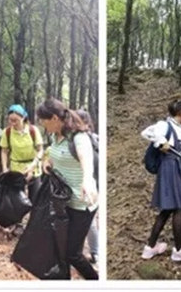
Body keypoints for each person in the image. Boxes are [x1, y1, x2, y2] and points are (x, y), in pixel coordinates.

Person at [36, 98, 99, 280]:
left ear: (54, 118)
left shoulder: (79, 137)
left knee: (72, 253)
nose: (42, 124)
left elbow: (86, 159)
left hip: (81, 204)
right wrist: (49, 164)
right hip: (63, 202)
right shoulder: (55, 136)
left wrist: (87, 179)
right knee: (60, 248)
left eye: (43, 120)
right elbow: (57, 157)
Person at [141, 98, 181, 262]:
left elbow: (177, 150)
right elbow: (146, 133)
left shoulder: (179, 128)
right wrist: (161, 142)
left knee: (168, 209)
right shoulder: (165, 125)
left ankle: (150, 247)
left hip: (176, 167)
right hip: (169, 169)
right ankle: (180, 250)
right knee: (179, 207)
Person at [0, 104, 44, 204]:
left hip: (34, 169)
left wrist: (33, 165)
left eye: (16, 120)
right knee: (16, 200)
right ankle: (17, 219)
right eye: (10, 120)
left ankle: (33, 219)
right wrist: (5, 168)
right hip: (16, 169)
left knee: (35, 199)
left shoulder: (33, 131)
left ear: (23, 118)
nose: (12, 123)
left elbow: (40, 150)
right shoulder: (7, 132)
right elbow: (4, 151)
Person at [77, 109, 99, 264]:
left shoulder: (92, 139)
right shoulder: (74, 139)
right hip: (81, 184)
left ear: (86, 123)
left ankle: (95, 251)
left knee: (89, 220)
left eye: (79, 121)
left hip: (91, 184)